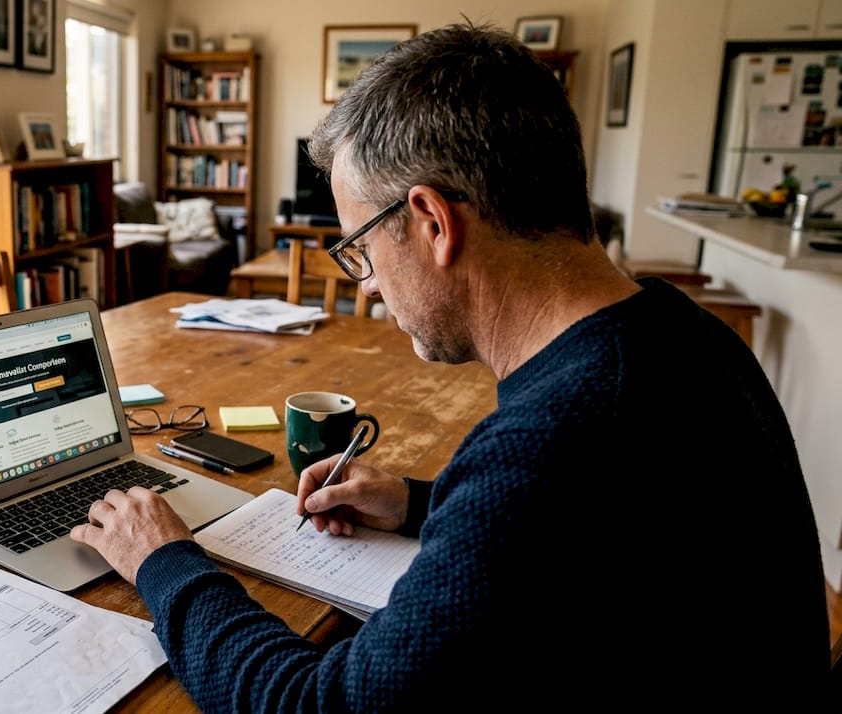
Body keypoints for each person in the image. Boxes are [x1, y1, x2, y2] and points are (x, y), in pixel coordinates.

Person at [71, 23, 828, 708]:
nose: (366, 284)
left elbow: (314, 704)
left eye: (361, 249)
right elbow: (592, 531)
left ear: (433, 221)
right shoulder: (682, 332)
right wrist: (419, 503)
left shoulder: (550, 444)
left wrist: (165, 560)